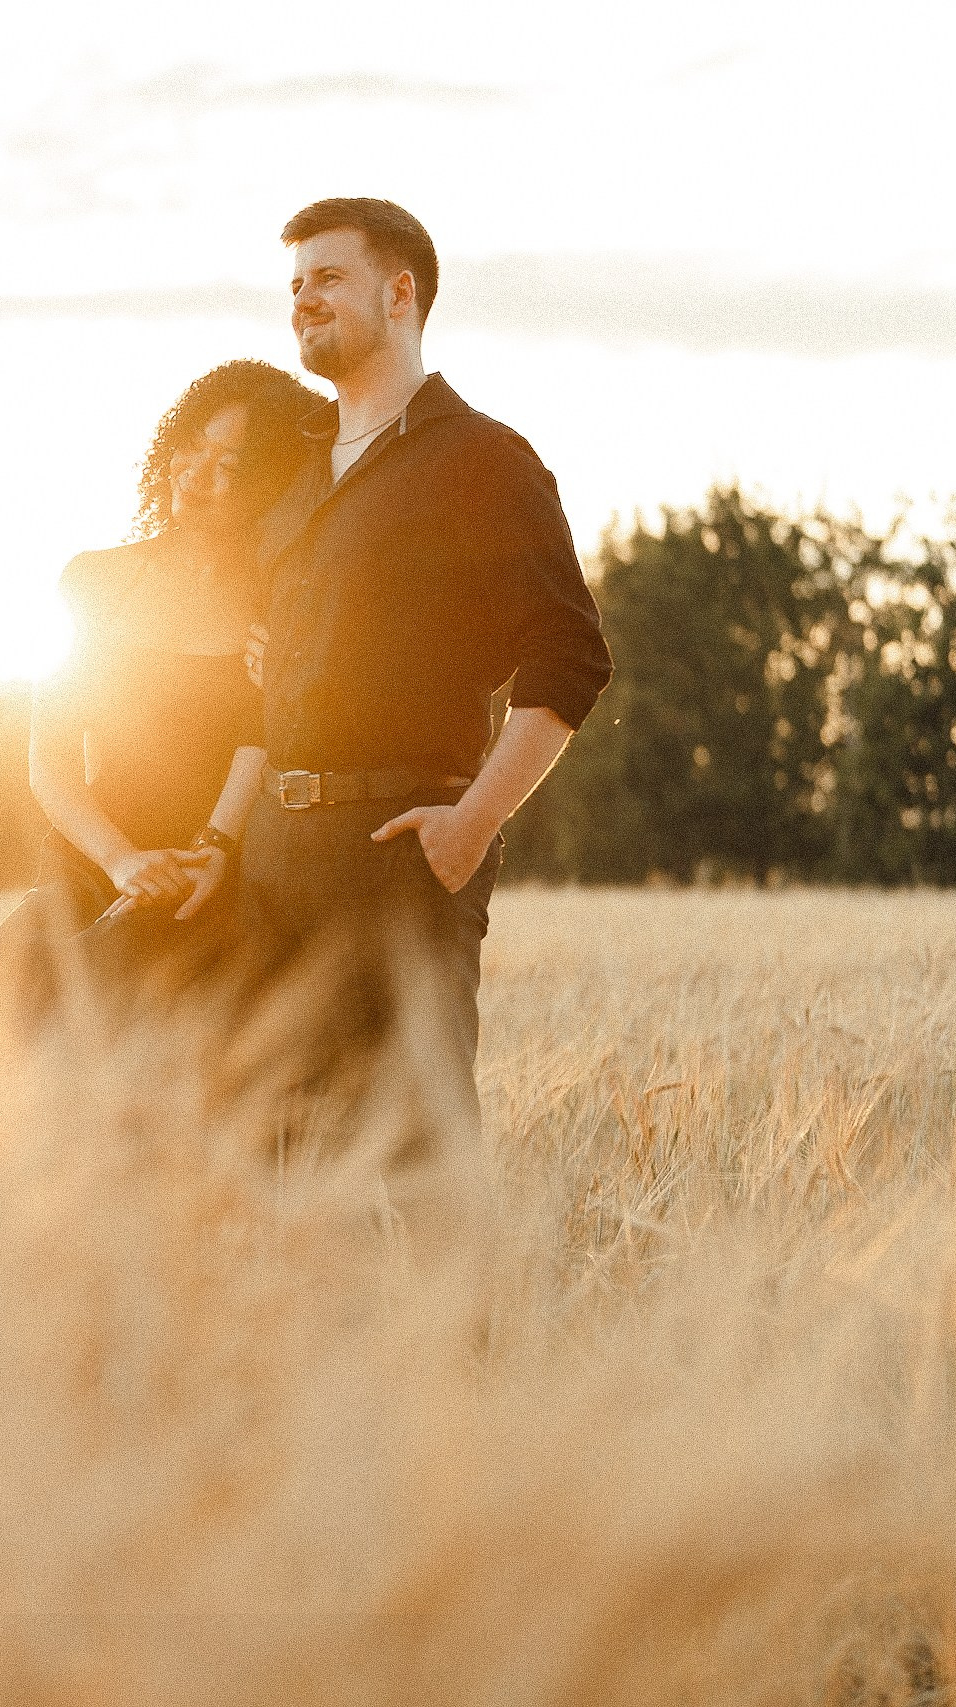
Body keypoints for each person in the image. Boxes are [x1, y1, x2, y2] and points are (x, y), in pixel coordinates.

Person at [240, 196, 614, 1193]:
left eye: (325, 277)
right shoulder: (296, 480)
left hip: (401, 846)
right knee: (282, 1145)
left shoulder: (481, 459)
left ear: (399, 293)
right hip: (274, 853)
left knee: (419, 1146)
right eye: (292, 285)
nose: (300, 301)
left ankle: (456, 1354)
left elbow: (567, 655)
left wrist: (472, 822)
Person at [0, 359, 325, 1071]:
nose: (196, 473)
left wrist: (209, 847)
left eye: (229, 463)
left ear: (265, 485)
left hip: (209, 876)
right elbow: (51, 758)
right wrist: (123, 861)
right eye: (192, 446)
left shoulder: (275, 604)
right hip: (92, 862)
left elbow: (261, 741)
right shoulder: (94, 578)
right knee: (9, 1010)